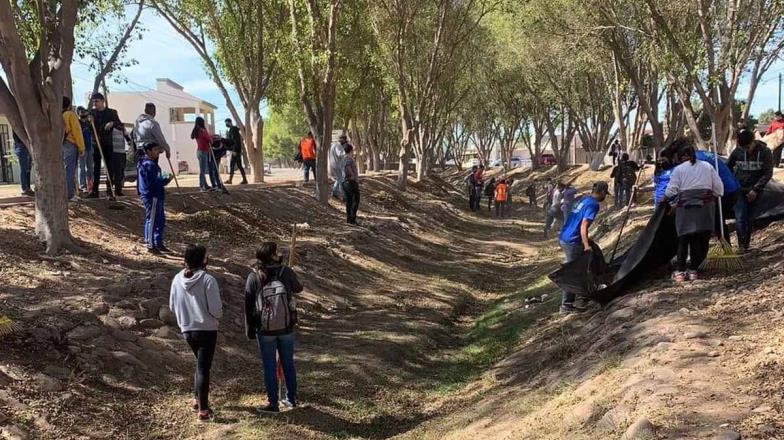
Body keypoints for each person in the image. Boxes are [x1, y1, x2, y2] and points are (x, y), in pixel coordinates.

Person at [244, 242, 303, 413]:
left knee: (269, 366)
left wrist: (250, 330)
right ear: (271, 255)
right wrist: (289, 275)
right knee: (288, 364)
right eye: (276, 252)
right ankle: (291, 399)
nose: (279, 254)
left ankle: (273, 404)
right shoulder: (285, 272)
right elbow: (299, 288)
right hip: (286, 327)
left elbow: (248, 306)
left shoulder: (253, 277)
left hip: (265, 330)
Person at [170, 244, 223, 421]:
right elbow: (215, 308)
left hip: (187, 328)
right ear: (203, 260)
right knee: (203, 368)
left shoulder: (177, 278)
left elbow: (172, 305)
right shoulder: (208, 280)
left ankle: (196, 398)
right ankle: (204, 410)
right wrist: (217, 317)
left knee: (199, 364)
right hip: (206, 329)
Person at [664, 141, 724, 282]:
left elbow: (672, 190)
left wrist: (664, 198)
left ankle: (680, 272)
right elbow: (719, 189)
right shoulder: (708, 166)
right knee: (699, 238)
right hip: (705, 207)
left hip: (686, 208)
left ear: (680, 157)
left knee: (684, 239)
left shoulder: (679, 170)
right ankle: (693, 271)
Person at [558, 181, 609, 314]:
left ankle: (584, 295)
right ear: (602, 192)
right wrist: (586, 245)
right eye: (605, 194)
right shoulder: (593, 205)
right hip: (572, 240)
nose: (605, 197)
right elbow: (584, 225)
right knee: (574, 271)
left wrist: (587, 241)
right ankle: (566, 305)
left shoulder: (585, 199)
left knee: (584, 266)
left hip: (566, 236)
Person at [727, 129, 774, 253]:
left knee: (750, 218)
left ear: (753, 142)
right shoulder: (737, 152)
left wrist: (755, 190)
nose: (746, 150)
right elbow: (727, 168)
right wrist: (734, 184)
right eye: (743, 148)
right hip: (739, 190)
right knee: (740, 217)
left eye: (748, 147)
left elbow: (767, 173)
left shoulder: (765, 152)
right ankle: (742, 245)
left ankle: (746, 243)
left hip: (756, 190)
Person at [137, 142, 172, 254]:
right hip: (152, 196)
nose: (158, 152)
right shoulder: (148, 165)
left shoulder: (149, 164)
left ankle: (158, 242)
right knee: (152, 220)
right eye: (156, 150)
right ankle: (150, 244)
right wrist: (165, 180)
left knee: (160, 220)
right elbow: (154, 182)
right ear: (149, 151)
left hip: (156, 195)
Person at [89, 93, 122, 199]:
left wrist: (112, 123)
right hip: (96, 143)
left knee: (109, 167)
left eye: (97, 101)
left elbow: (119, 124)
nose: (95, 104)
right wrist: (88, 121)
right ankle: (95, 191)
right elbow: (87, 125)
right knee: (96, 168)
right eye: (93, 102)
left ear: (103, 101)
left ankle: (109, 191)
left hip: (107, 143)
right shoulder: (92, 113)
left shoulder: (111, 113)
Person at [62, 97, 85, 201]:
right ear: (69, 105)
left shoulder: (58, 114)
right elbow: (77, 131)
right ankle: (69, 195)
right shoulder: (70, 114)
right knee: (70, 170)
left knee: (65, 169)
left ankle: (68, 193)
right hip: (71, 143)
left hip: (61, 144)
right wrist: (81, 147)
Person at [191, 117, 214, 192]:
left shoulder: (196, 131)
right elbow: (209, 139)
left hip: (199, 152)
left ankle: (205, 185)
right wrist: (211, 138)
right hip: (203, 152)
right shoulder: (202, 130)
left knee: (202, 169)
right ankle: (202, 186)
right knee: (203, 170)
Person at [76, 107, 95, 194]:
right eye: (82, 112)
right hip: (81, 147)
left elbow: (93, 133)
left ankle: (91, 184)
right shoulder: (78, 123)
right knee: (82, 167)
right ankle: (82, 186)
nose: (84, 114)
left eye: (85, 112)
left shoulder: (88, 124)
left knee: (90, 167)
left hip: (89, 147)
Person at [224, 118, 248, 185]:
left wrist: (234, 150)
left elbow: (236, 140)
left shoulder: (233, 129)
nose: (226, 124)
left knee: (237, 165)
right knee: (235, 165)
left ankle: (243, 180)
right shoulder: (233, 129)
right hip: (235, 150)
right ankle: (232, 180)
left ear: (229, 122)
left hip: (236, 151)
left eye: (226, 123)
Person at [342, 143, 361, 224]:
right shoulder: (348, 158)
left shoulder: (342, 158)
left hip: (345, 182)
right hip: (350, 182)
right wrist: (352, 176)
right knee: (355, 200)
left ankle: (349, 219)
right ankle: (352, 219)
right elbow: (347, 167)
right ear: (351, 150)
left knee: (349, 201)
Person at [109, 122, 129, 196]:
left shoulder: (122, 127)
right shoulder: (111, 127)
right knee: (112, 172)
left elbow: (128, 138)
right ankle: (110, 191)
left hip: (122, 152)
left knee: (120, 173)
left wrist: (129, 142)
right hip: (113, 153)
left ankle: (118, 190)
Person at [12, 132, 34, 197]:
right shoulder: (17, 127)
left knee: (28, 169)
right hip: (21, 146)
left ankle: (28, 188)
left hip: (27, 146)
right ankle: (24, 189)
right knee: (24, 168)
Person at [329, 134, 348, 199]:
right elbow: (340, 154)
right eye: (344, 140)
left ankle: (334, 192)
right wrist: (346, 152)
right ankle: (343, 195)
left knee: (338, 179)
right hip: (337, 165)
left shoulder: (333, 145)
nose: (345, 142)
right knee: (341, 180)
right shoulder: (338, 145)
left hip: (334, 164)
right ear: (342, 139)